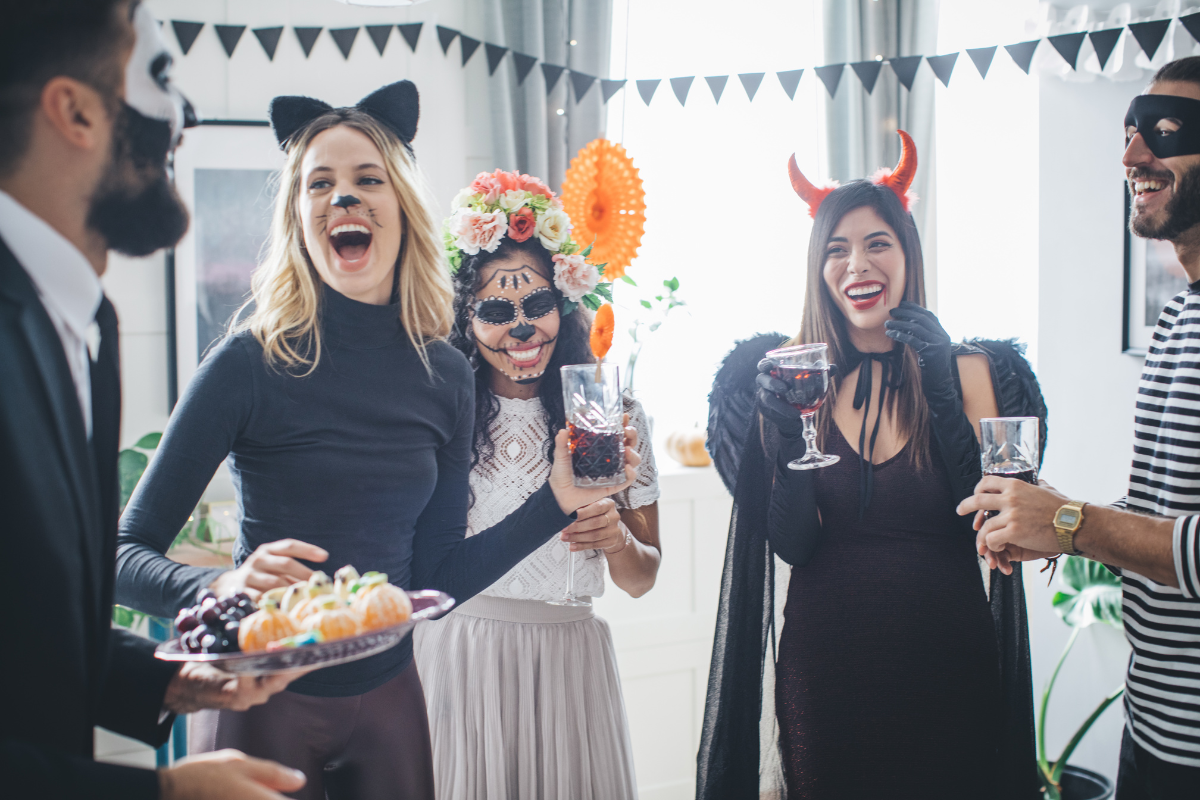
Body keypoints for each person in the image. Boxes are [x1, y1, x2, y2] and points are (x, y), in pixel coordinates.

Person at [113, 83, 640, 800]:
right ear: (298, 217)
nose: (345, 199)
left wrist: (558, 500)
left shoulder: (445, 375)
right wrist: (220, 589)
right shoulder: (247, 363)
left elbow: (437, 580)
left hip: (393, 704)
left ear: (401, 210)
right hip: (262, 704)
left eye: (368, 180)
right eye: (319, 184)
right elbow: (119, 555)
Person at [0, 2, 311, 798]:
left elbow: (23, 633)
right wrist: (162, 794)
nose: (186, 115)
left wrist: (170, 679)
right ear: (74, 111)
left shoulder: (83, 320)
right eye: (162, 78)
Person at [697, 133, 1046, 800]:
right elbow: (795, 544)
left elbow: (987, 518)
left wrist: (940, 387)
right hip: (826, 671)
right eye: (837, 248)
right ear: (818, 268)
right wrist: (785, 430)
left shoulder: (973, 369)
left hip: (949, 660)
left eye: (876, 242)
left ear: (907, 254)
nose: (857, 262)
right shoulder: (794, 375)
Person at [964, 57, 1200, 800]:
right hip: (1154, 725)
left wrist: (1071, 522)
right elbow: (1165, 522)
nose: (1131, 157)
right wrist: (1054, 523)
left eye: (1164, 132)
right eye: (1129, 134)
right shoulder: (1179, 318)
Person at [413, 170, 661, 799]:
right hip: (460, 656)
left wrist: (614, 540)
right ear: (465, 318)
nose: (522, 330)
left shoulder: (609, 411)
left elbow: (641, 579)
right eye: (496, 311)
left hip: (569, 664)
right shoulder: (442, 413)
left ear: (566, 301)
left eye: (538, 305)